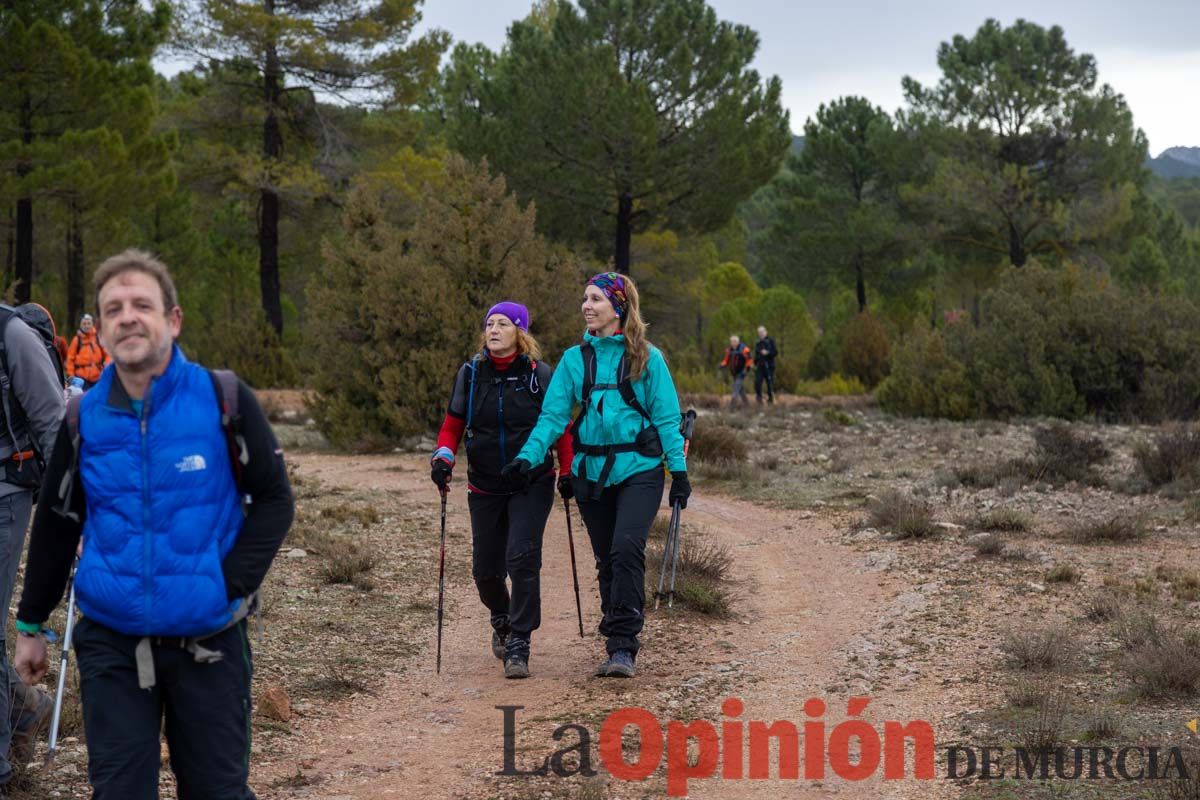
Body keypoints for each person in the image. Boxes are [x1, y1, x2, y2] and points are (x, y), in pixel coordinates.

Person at [13, 248, 294, 800]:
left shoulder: (224, 399)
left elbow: (275, 500)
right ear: (100, 326)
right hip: (111, 639)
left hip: (209, 639)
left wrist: (227, 582)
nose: (126, 316)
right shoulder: (82, 416)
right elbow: (56, 521)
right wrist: (30, 625)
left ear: (173, 319)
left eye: (142, 303)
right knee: (119, 791)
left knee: (217, 790)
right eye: (113, 308)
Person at [502, 272, 689, 679]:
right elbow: (552, 418)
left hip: (639, 469)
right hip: (590, 474)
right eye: (584, 299)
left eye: (596, 299)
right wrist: (526, 459)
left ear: (618, 307)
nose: (586, 306)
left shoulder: (647, 358)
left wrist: (679, 471)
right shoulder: (574, 361)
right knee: (607, 559)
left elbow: (667, 418)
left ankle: (623, 645)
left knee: (626, 549)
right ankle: (616, 629)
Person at [429, 302, 572, 679]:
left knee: (522, 557)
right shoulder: (471, 375)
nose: (493, 329)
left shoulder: (540, 375)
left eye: (503, 323)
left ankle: (520, 641)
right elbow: (452, 425)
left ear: (520, 332)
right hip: (485, 483)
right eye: (489, 323)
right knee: (486, 571)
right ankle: (502, 616)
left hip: (531, 481)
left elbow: (561, 427)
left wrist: (568, 469)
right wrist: (443, 458)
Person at [0, 301, 66, 793]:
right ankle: (26, 709)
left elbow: (54, 427)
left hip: (6, 494)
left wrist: (68, 507)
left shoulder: (13, 334)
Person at [65, 312, 110, 390]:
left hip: (98, 376)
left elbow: (107, 354)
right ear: (80, 325)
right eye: (84, 324)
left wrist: (107, 366)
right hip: (81, 378)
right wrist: (71, 377)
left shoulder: (98, 338)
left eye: (89, 323)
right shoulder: (77, 340)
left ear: (92, 324)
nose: (87, 326)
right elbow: (70, 360)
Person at [719, 334, 753, 408]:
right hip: (734, 372)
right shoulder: (729, 350)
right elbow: (726, 360)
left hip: (742, 371)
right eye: (732, 341)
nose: (733, 343)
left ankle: (732, 405)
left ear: (738, 342)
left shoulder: (744, 349)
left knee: (736, 388)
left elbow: (750, 359)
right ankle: (747, 403)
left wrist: (747, 368)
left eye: (735, 341)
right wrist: (722, 365)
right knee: (740, 389)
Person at [753, 325, 778, 405]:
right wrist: (754, 362)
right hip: (760, 366)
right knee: (757, 382)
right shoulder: (758, 342)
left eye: (762, 332)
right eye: (759, 333)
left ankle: (771, 400)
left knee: (769, 383)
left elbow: (775, 352)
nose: (761, 334)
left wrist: (768, 353)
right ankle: (759, 398)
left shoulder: (771, 341)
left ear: (765, 332)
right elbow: (756, 354)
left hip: (769, 365)